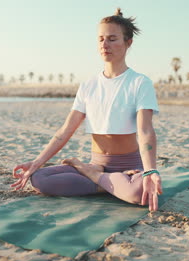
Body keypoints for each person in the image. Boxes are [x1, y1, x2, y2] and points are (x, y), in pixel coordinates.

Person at [11, 8, 163, 211]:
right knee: (39, 178)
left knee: (140, 194)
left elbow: (145, 131)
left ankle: (93, 176)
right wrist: (37, 162)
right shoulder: (89, 85)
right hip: (97, 162)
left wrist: (150, 170)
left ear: (128, 42)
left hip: (129, 164)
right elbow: (66, 130)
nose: (104, 45)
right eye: (100, 39)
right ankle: (109, 182)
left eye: (112, 39)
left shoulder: (139, 82)